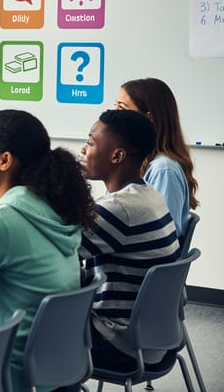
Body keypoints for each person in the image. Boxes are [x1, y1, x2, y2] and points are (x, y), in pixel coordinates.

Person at [0, 109, 95, 392]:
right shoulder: (52, 207)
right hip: (52, 365)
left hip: (4, 368)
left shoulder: (1, 222)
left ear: (4, 160)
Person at [79, 109, 181, 373]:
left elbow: (54, 250)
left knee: (23, 330)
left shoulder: (119, 209)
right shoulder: (146, 196)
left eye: (90, 142)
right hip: (152, 339)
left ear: (117, 156)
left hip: (119, 343)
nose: (82, 150)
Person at [114, 78, 199, 238]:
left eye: (122, 107)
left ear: (148, 118)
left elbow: (163, 234)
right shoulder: (140, 163)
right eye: (115, 105)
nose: (114, 114)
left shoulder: (163, 169)